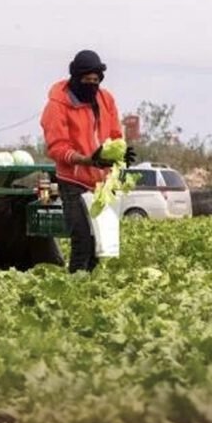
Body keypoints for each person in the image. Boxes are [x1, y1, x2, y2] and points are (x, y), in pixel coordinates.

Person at [40, 50, 135, 273]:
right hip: (72, 180)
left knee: (98, 241)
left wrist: (119, 155)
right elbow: (57, 147)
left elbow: (113, 134)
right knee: (81, 238)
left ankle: (89, 287)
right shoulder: (57, 105)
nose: (92, 85)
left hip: (101, 182)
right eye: (86, 80)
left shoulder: (105, 99)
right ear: (75, 78)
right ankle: (74, 287)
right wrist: (87, 160)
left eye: (95, 81)